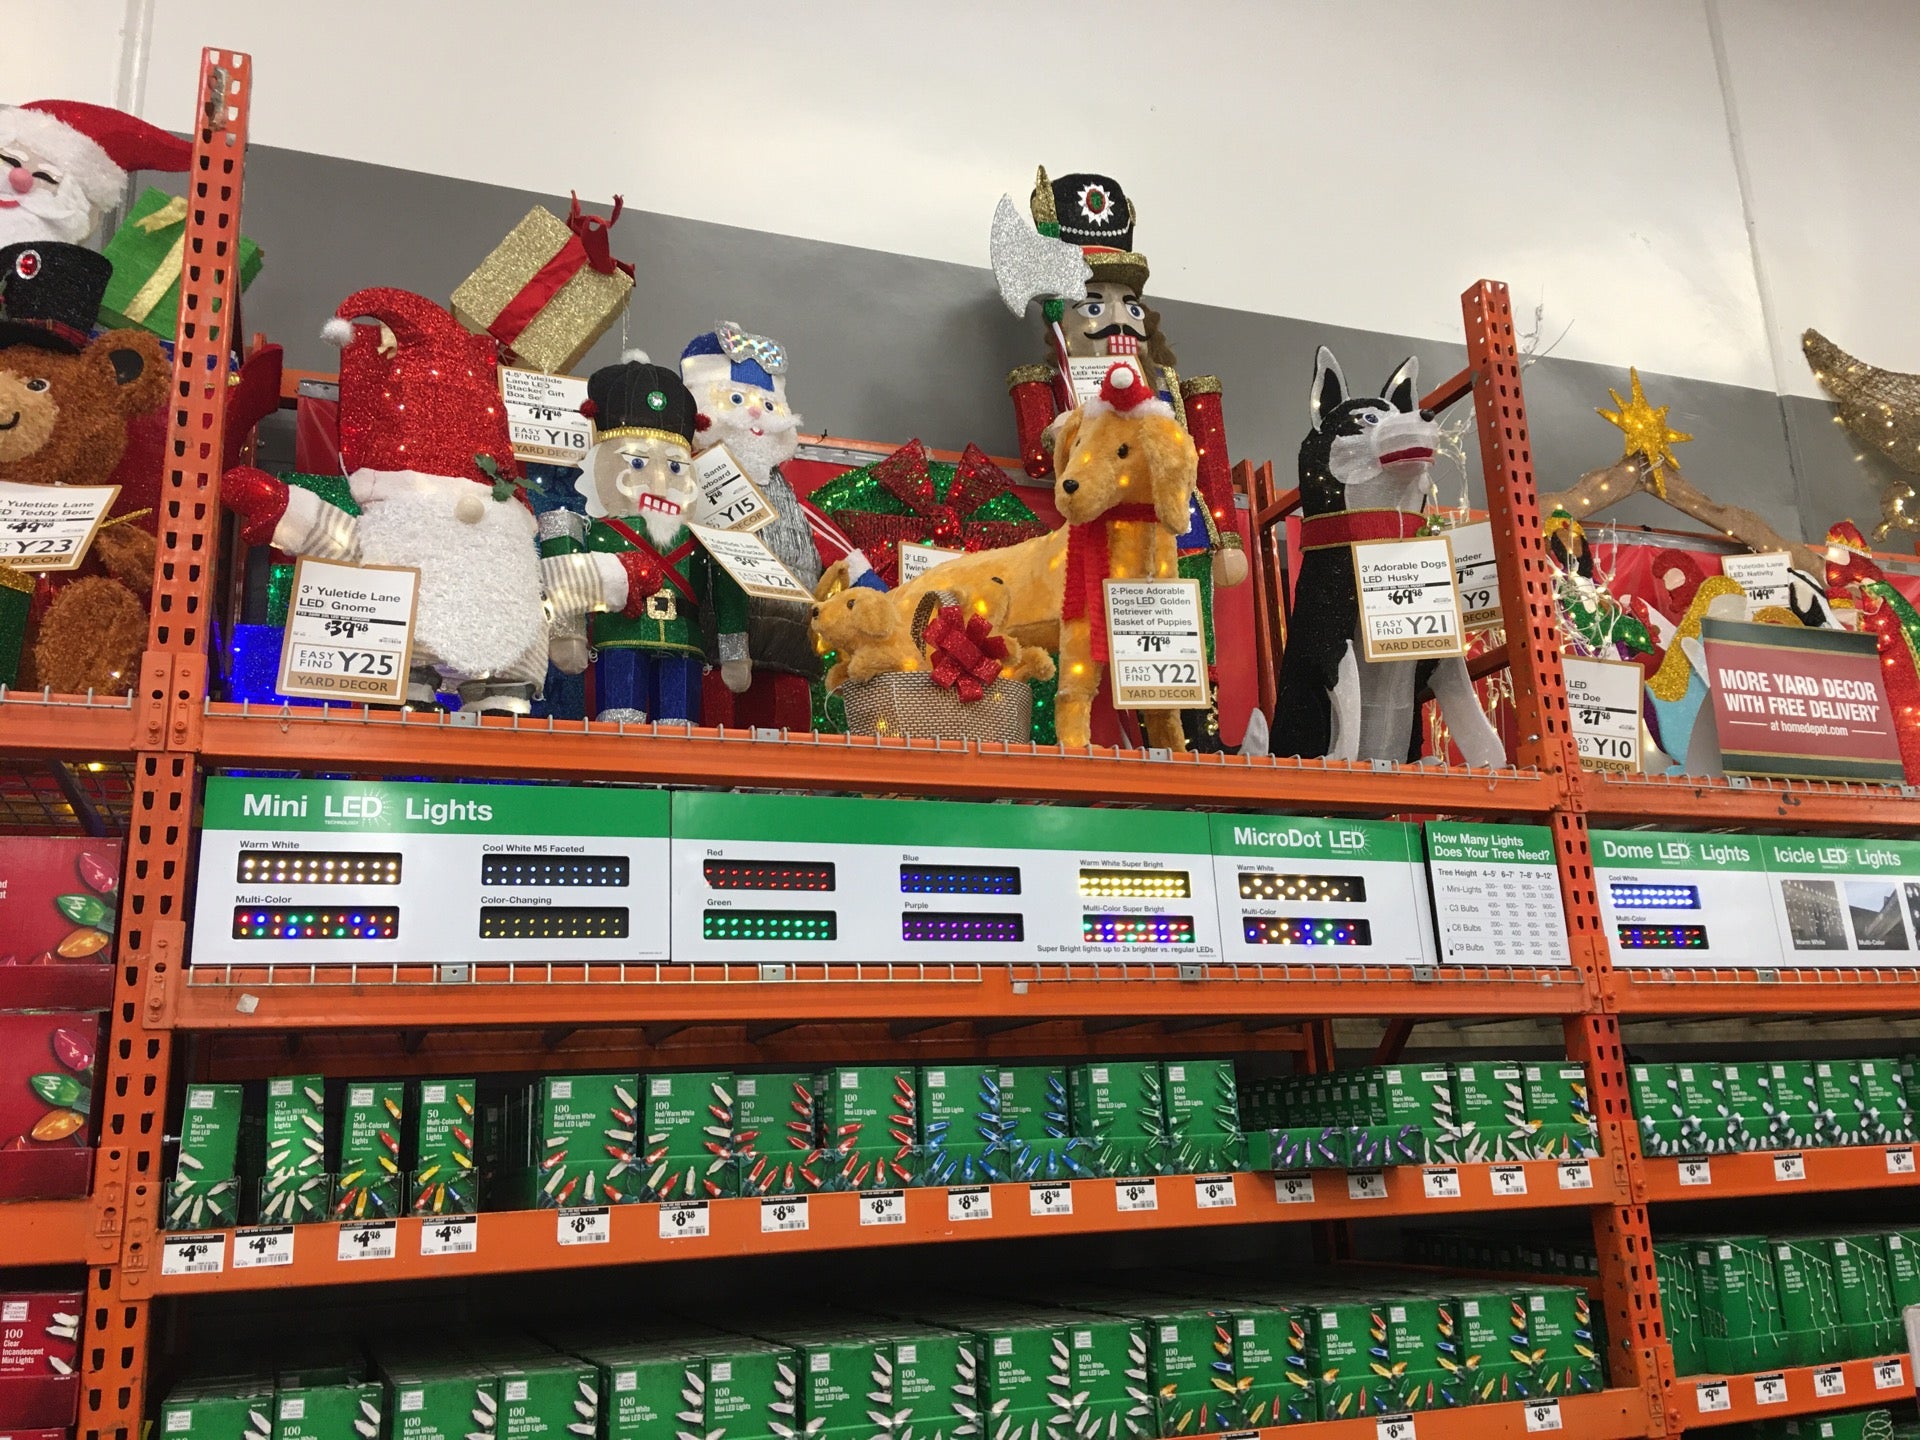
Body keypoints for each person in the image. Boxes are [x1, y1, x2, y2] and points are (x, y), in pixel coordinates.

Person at [541, 355, 746, 724]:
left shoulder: (707, 536)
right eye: (637, 462)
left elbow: (728, 586)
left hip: (685, 639)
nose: (660, 481)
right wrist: (567, 633)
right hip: (619, 634)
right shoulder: (591, 528)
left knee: (680, 728)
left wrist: (735, 650)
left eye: (675, 466)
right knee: (620, 720)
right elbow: (567, 572)